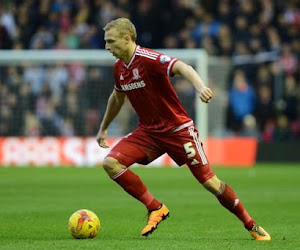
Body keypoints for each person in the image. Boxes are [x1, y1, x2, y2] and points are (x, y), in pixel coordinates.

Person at [96, 18, 271, 241]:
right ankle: (155, 207)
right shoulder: (119, 68)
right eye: (106, 42)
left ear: (127, 39)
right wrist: (103, 128)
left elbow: (182, 67)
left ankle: (251, 224)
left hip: (178, 130)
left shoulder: (149, 59)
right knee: (110, 163)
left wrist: (201, 87)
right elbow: (117, 97)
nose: (107, 47)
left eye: (110, 41)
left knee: (210, 182)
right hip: (148, 133)